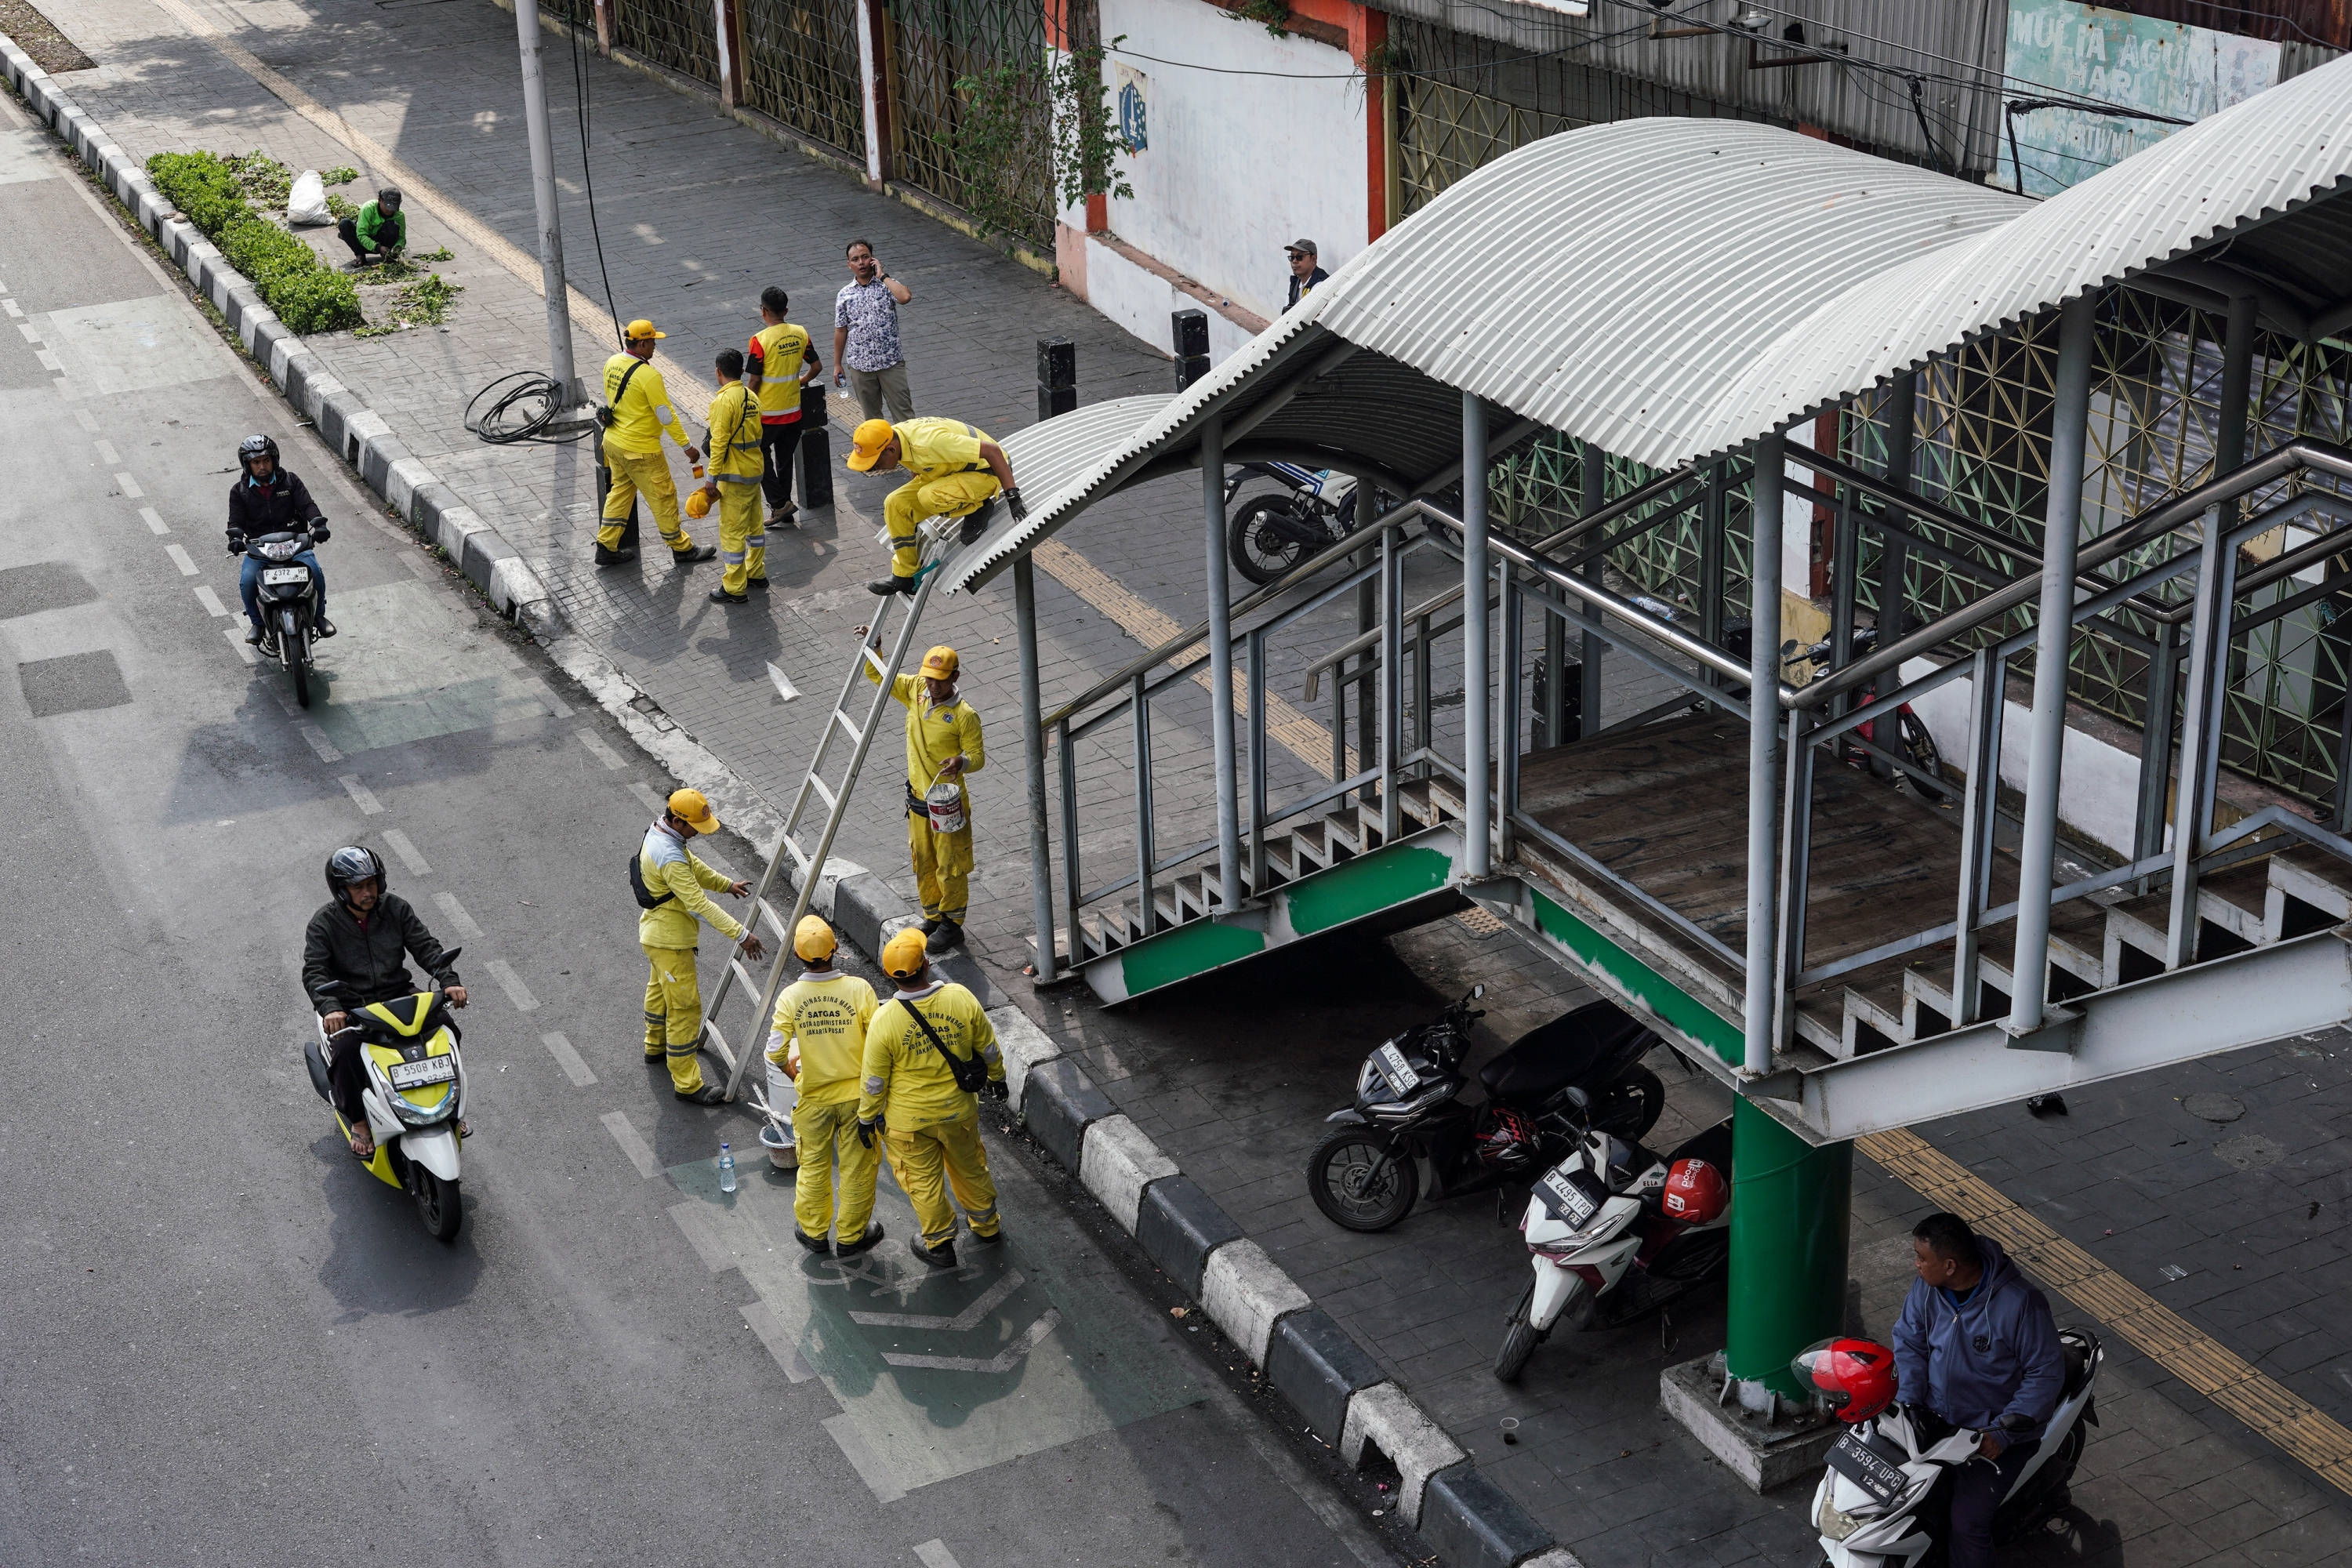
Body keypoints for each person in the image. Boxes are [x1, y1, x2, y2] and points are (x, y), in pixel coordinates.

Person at [1892, 1211, 2067, 1568]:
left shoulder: (2021, 1304)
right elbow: (1910, 1342)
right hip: (1934, 1420)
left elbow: (2045, 1374)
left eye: (1923, 1258)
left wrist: (2001, 1433)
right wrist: (1908, 1402)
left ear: (1950, 1265)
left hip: (1993, 1435)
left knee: (1967, 1525)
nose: (1917, 1264)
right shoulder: (1927, 1288)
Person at [303, 846, 468, 1160]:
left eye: (372, 883)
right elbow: (314, 971)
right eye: (358, 887)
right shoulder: (323, 924)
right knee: (348, 1053)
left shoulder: (395, 909)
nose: (368, 892)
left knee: (446, 1031)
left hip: (399, 994)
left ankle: (446, 1104)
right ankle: (361, 1121)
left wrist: (449, 981)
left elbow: (426, 947)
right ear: (341, 891)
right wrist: (331, 1007)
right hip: (353, 1006)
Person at [857, 928, 1006, 1268]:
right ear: (926, 965)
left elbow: (875, 1082)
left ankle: (939, 1243)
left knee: (923, 1182)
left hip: (909, 1123)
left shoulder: (885, 1020)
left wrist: (867, 1118)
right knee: (970, 1168)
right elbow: (987, 1047)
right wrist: (998, 1078)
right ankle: (987, 1226)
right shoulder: (960, 997)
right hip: (958, 1112)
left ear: (888, 976)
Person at [638, 788, 766, 1105]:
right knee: (685, 1009)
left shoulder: (662, 835)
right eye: (695, 827)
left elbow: (692, 866)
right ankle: (687, 1083)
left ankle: (654, 1046)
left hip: (656, 936)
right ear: (679, 821)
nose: (698, 833)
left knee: (658, 993)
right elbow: (697, 904)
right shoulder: (669, 855)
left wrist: (726, 884)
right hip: (671, 942)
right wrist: (742, 934)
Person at [768, 916, 885, 1255]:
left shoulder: (791, 997)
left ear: (798, 955)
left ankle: (813, 1232)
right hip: (858, 1102)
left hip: (814, 1101)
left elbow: (775, 1050)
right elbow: (878, 1046)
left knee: (814, 1167)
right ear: (835, 950)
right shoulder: (860, 990)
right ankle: (852, 1236)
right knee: (858, 1169)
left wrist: (795, 1075)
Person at [859, 641, 982, 951]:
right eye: (929, 677)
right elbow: (879, 676)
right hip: (917, 799)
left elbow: (978, 757)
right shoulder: (914, 689)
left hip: (948, 803)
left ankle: (952, 925)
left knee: (950, 863)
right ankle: (933, 916)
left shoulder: (965, 715)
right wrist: (874, 647)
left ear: (956, 676)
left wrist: (961, 762)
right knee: (923, 859)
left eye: (940, 679)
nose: (933, 685)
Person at [847, 417, 1026, 597]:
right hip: (953, 471)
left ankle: (979, 505)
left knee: (929, 497)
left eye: (876, 463)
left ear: (891, 450)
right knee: (895, 503)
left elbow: (993, 452)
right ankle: (905, 576)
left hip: (986, 472)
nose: (875, 469)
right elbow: (918, 461)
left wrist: (1013, 496)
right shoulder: (894, 437)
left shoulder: (928, 443)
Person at [594, 319, 716, 570]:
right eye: (651, 342)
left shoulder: (611, 363)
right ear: (640, 344)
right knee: (664, 497)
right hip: (641, 451)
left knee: (619, 493)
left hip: (613, 443)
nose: (654, 347)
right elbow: (665, 415)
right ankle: (682, 549)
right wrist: (687, 447)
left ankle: (606, 547)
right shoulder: (649, 376)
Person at [227, 433, 332, 649]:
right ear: (248, 465)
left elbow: (307, 505)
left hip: (294, 545)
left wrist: (318, 524)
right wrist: (236, 538)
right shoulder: (239, 491)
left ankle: (319, 617)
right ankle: (257, 624)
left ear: (274, 460)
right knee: (247, 581)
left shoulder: (291, 481)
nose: (262, 466)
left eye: (266, 460)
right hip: (260, 550)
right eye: (256, 462)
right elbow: (235, 520)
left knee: (316, 572)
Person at [694, 348, 767, 604]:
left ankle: (735, 587)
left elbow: (719, 444)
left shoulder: (724, 402)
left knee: (733, 532)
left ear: (718, 372)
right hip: (754, 471)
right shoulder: (751, 396)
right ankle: (756, 572)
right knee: (755, 526)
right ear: (743, 371)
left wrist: (710, 479)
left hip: (734, 476)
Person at [746, 285, 821, 532]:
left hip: (768, 415)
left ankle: (779, 504)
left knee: (758, 455)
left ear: (763, 311)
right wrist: (800, 381)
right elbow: (817, 366)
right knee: (784, 459)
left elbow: (755, 380)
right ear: (786, 310)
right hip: (794, 412)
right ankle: (785, 511)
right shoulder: (800, 333)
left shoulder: (760, 340)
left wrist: (747, 402)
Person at [833, 239, 915, 423]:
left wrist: (883, 276)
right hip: (861, 367)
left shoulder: (886, 285)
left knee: (905, 417)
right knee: (873, 421)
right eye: (855, 259)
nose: (861, 263)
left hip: (891, 363)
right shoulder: (845, 295)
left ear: (873, 259)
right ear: (849, 265)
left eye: (865, 257)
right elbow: (841, 330)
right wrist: (837, 364)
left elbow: (905, 297)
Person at [337, 187, 406, 267]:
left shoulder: (399, 215)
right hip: (363, 243)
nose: (390, 211)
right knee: (344, 224)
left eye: (393, 208)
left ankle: (387, 256)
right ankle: (360, 255)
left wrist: (397, 249)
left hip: (383, 242)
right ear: (380, 200)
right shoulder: (368, 208)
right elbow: (361, 235)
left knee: (393, 226)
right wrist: (378, 247)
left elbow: (401, 238)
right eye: (388, 207)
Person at [1283, 238, 1328, 310]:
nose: (1294, 261)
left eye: (1299, 257)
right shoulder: (1294, 282)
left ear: (1313, 259)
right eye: (1292, 257)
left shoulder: (1320, 285)